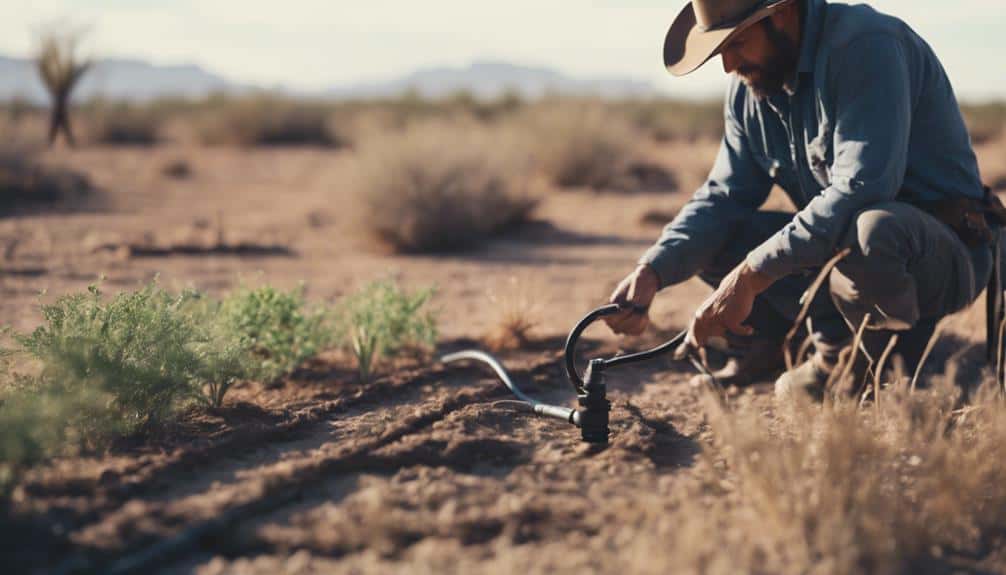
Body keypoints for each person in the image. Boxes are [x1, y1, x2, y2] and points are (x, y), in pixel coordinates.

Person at [605, 0, 992, 398]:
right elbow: (723, 195)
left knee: (873, 228)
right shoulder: (749, 86)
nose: (728, 65)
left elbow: (863, 187)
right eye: (720, 50)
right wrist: (652, 270)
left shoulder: (866, 47)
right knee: (725, 231)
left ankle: (872, 370)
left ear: (783, 12)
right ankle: (767, 345)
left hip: (942, 255)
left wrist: (749, 275)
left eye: (736, 42)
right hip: (845, 255)